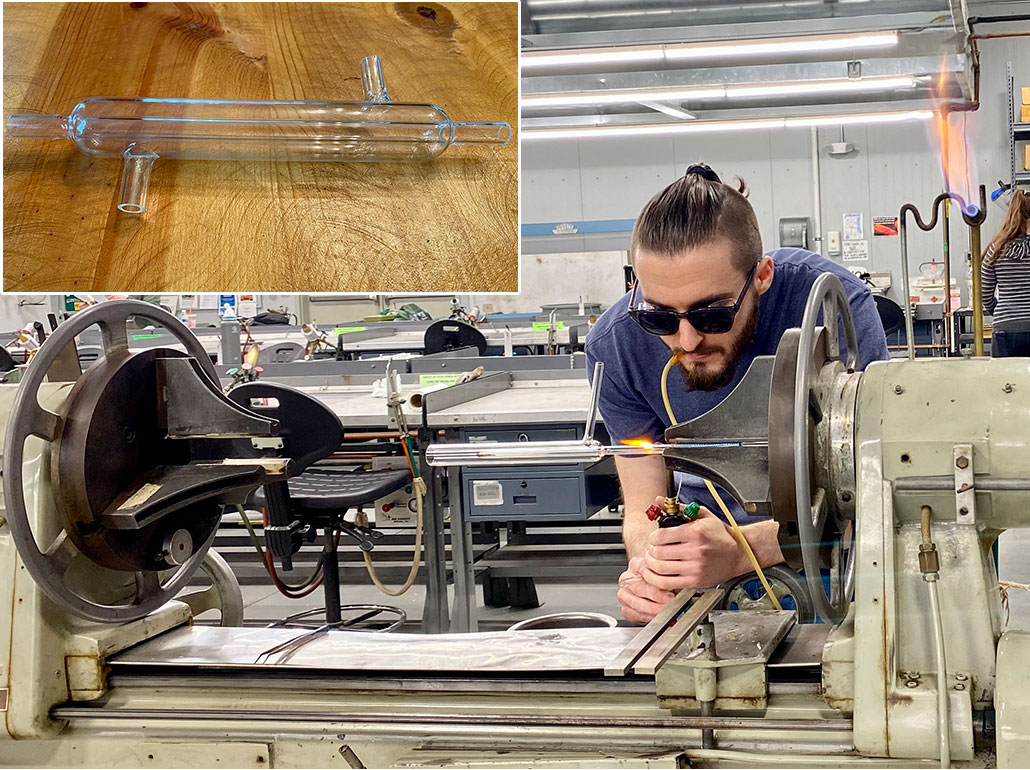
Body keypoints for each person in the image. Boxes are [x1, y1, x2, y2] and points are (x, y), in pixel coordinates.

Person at [585, 163, 889, 623]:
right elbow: (642, 496)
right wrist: (655, 566)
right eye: (661, 317)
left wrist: (744, 548)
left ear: (762, 276)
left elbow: (879, 487)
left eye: (710, 315)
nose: (686, 341)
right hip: (708, 564)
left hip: (837, 557)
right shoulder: (616, 346)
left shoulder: (830, 304)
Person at [981, 189, 1030, 358]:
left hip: (1005, 328)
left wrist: (1004, 312)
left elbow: (985, 295)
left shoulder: (996, 249)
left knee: (1004, 383)